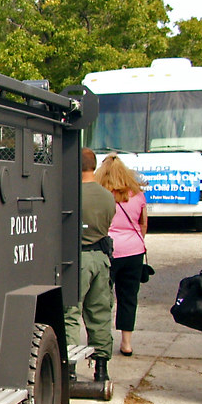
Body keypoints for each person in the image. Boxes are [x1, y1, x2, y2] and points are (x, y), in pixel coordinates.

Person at [64, 147, 116, 384]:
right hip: (101, 258)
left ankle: (70, 368)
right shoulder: (107, 196)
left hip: (77, 260)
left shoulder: (71, 194)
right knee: (100, 313)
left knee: (70, 313)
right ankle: (101, 368)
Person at [95, 153, 148, 356]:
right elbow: (143, 224)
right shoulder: (138, 195)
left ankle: (102, 337)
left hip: (108, 250)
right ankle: (126, 342)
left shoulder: (101, 195)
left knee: (103, 296)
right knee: (128, 297)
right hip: (134, 251)